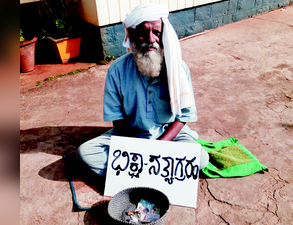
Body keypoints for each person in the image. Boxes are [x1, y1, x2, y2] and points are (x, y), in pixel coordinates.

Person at [77, 3, 209, 177]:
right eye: (143, 32)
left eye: (157, 33)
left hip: (169, 137)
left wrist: (159, 146)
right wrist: (139, 148)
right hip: (130, 136)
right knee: (86, 153)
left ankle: (134, 173)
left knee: (200, 158)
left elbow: (184, 116)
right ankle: (157, 172)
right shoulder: (117, 71)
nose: (151, 39)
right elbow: (118, 120)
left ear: (164, 36)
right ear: (131, 35)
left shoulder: (178, 69)